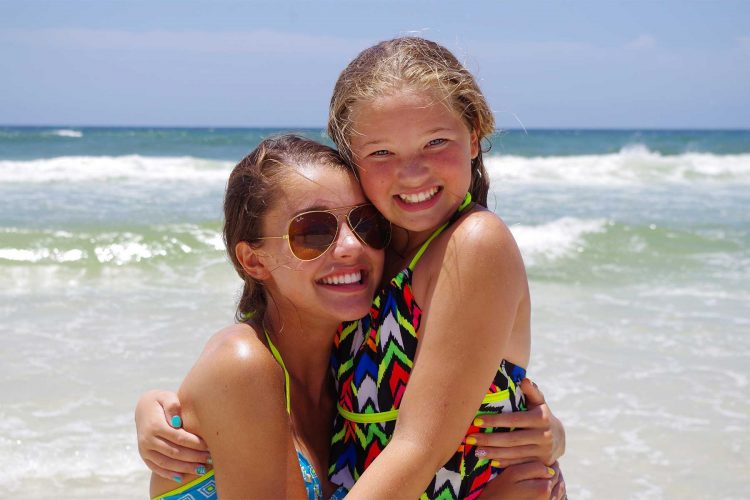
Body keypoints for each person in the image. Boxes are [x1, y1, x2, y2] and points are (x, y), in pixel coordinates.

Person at [138, 37, 567, 499]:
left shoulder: (474, 243)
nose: (413, 172)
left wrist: (550, 435)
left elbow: (419, 446)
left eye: (436, 142)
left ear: (475, 136)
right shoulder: (377, 252)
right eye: (382, 153)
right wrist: (154, 408)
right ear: (354, 162)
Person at [147, 135, 390, 499]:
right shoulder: (243, 364)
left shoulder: (358, 365)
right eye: (313, 231)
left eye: (365, 222)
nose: (352, 246)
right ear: (254, 261)